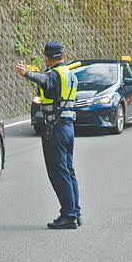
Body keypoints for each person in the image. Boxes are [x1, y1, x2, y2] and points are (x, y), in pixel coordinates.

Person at [14, 41, 81, 229]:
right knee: (69, 171)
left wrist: (26, 73)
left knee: (58, 173)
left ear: (46, 57)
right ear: (64, 56)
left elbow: (44, 80)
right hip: (68, 127)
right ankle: (75, 211)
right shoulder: (70, 75)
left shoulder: (54, 75)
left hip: (55, 129)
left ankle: (68, 216)